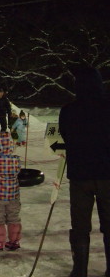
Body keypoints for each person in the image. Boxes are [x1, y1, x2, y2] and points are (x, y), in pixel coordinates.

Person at [59, 67, 110, 277]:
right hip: (108, 175)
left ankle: (79, 269)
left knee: (80, 225)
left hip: (80, 175)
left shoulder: (69, 110)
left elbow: (65, 136)